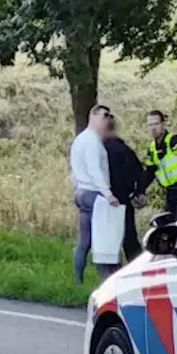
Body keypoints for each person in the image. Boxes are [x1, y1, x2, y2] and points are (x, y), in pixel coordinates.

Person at [69, 105, 120, 284]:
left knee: (84, 241)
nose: (107, 119)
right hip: (94, 193)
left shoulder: (79, 140)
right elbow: (94, 169)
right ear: (93, 116)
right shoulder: (92, 141)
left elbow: (74, 169)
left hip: (82, 192)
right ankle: (105, 281)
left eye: (109, 115)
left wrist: (76, 187)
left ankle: (78, 281)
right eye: (104, 115)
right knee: (101, 241)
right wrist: (108, 194)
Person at [103, 116, 148, 263]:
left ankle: (113, 271)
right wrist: (138, 192)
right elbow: (140, 171)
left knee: (110, 240)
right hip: (126, 198)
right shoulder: (125, 149)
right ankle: (139, 267)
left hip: (108, 199)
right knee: (130, 238)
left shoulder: (103, 151)